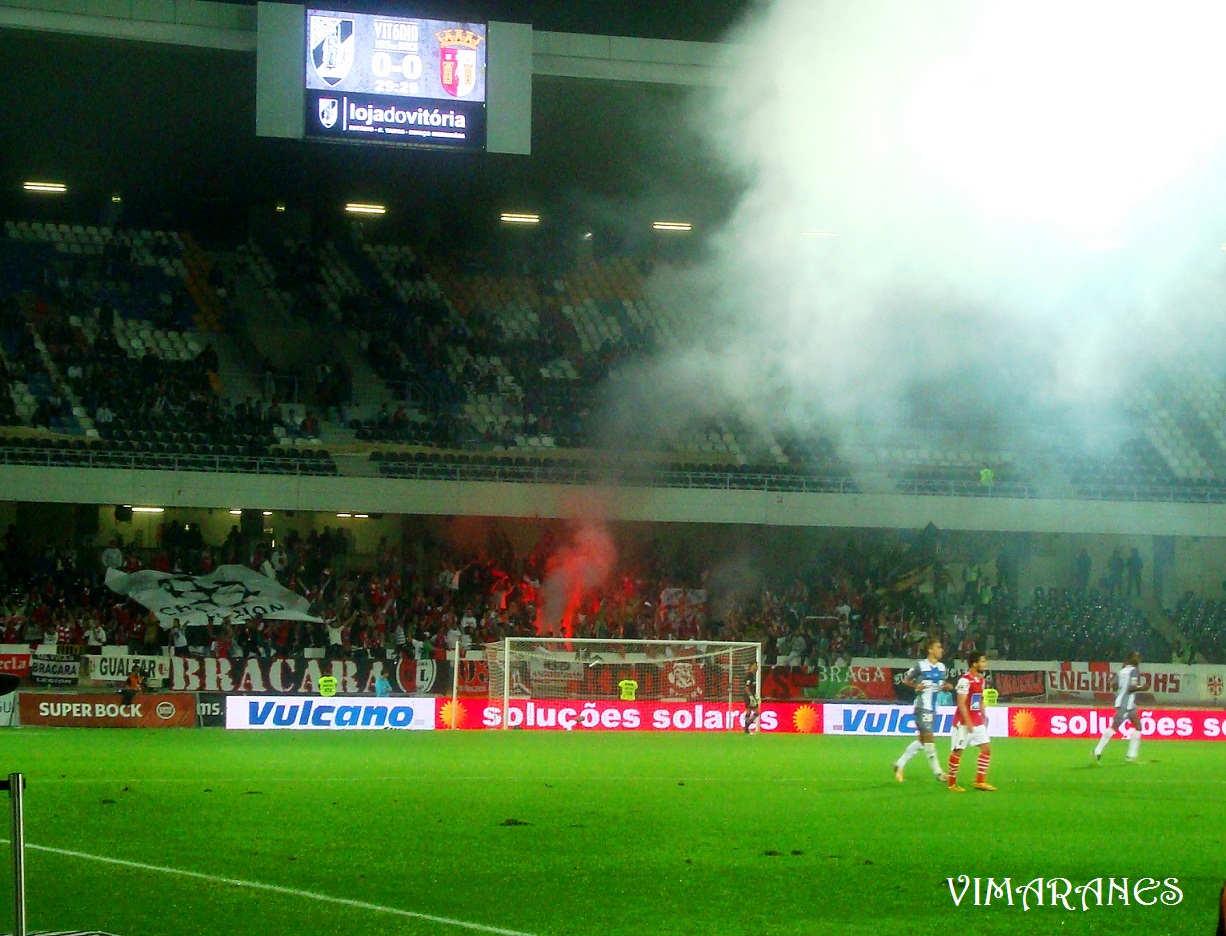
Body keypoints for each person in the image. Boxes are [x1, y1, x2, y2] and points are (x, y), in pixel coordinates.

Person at [893, 638, 952, 783]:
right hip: (922, 707)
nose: (941, 650)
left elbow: (939, 684)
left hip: (933, 708)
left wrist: (946, 686)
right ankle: (938, 773)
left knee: (921, 740)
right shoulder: (920, 665)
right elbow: (906, 680)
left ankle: (899, 764)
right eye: (938, 647)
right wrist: (916, 686)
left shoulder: (942, 668)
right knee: (929, 739)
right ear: (930, 650)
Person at [948, 651, 995, 792]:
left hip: (976, 721)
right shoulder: (965, 680)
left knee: (986, 749)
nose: (985, 664)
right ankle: (951, 784)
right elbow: (961, 703)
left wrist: (983, 715)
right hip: (962, 723)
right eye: (983, 661)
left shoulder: (981, 680)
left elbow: (979, 699)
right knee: (957, 752)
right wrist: (968, 722)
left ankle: (980, 781)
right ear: (975, 664)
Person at [1094, 651, 1143, 763]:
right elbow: (1132, 688)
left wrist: (1120, 687)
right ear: (1132, 659)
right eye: (1137, 657)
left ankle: (1131, 756)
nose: (1139, 660)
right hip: (1126, 705)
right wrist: (1142, 688)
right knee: (1114, 727)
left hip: (1129, 704)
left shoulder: (1122, 671)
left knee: (1138, 726)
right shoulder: (1134, 671)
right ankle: (1097, 751)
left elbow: (1112, 685)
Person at [742, 661, 760, 734]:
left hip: (749, 695)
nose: (757, 667)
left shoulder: (752, 675)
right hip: (748, 696)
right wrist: (751, 697)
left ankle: (746, 730)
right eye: (755, 665)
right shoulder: (748, 675)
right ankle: (746, 728)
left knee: (748, 711)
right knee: (757, 711)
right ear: (751, 666)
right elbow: (746, 687)